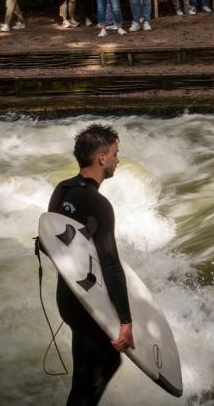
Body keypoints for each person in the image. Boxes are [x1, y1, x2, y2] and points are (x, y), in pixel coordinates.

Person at [46, 124, 133, 406]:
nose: (118, 159)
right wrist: (126, 321)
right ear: (102, 158)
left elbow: (51, 245)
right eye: (115, 153)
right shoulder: (99, 204)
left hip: (67, 297)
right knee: (96, 373)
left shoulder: (63, 189)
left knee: (94, 369)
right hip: (87, 304)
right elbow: (111, 265)